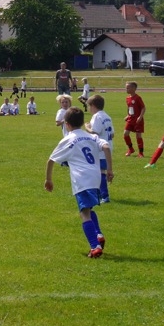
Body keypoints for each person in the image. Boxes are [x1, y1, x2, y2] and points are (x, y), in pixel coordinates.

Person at [45, 107, 114, 258]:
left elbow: (51, 160)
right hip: (96, 178)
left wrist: (48, 180)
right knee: (89, 208)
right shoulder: (91, 137)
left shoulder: (68, 139)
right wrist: (109, 169)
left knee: (84, 213)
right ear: (83, 122)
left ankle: (95, 246)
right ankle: (98, 235)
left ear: (67, 124)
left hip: (82, 180)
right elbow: (106, 146)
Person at [85, 94, 115, 203]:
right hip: (108, 147)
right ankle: (99, 194)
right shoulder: (107, 116)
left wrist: (87, 128)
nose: (89, 109)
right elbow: (112, 134)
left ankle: (104, 196)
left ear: (93, 105)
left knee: (99, 172)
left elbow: (95, 133)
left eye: (89, 106)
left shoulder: (97, 116)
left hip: (100, 149)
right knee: (99, 171)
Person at [123, 81, 146, 157]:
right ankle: (131, 149)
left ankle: (141, 153)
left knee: (138, 136)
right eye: (126, 88)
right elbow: (129, 108)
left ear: (134, 88)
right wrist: (128, 115)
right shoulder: (127, 98)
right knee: (125, 133)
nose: (126, 89)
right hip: (130, 119)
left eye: (128, 88)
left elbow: (143, 108)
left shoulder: (137, 98)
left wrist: (140, 117)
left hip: (137, 120)